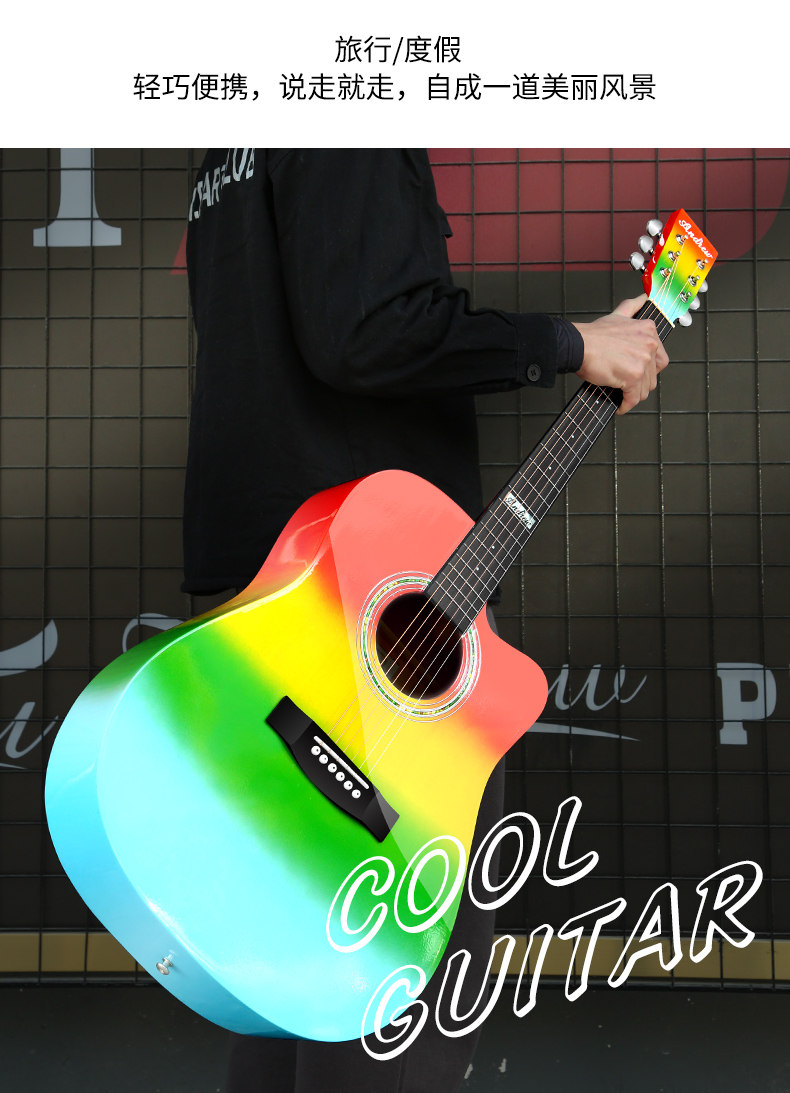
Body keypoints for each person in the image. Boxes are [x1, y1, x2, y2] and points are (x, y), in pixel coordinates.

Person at [183, 148, 667, 1093]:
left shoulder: (230, 136)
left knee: (295, 947)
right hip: (366, 599)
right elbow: (365, 334)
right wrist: (572, 343)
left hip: (276, 584)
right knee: (409, 962)